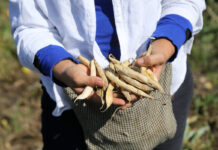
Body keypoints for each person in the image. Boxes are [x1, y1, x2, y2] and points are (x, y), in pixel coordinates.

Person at [9, 0, 206, 149]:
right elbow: (29, 26)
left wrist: (167, 41)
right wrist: (65, 68)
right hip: (71, 101)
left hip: (163, 88)